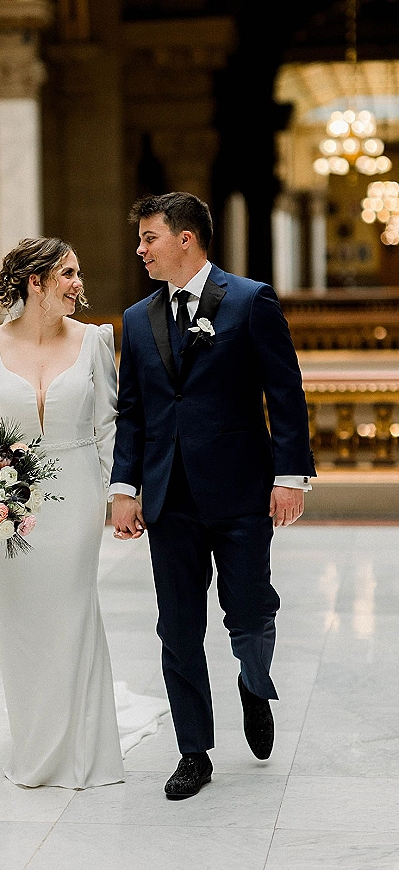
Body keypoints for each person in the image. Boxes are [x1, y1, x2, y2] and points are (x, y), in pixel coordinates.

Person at [109, 192, 316, 800]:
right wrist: (125, 489)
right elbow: (132, 413)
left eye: (149, 237)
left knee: (250, 613)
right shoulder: (137, 319)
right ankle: (193, 751)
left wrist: (289, 476)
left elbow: (286, 393)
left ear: (186, 239)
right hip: (169, 498)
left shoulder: (251, 302)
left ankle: (254, 683)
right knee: (177, 629)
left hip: (241, 491)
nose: (140, 250)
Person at [0, 237, 166, 789]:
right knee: (20, 619)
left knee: (72, 610)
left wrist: (123, 495)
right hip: (10, 495)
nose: (80, 284)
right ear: (37, 282)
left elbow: (109, 426)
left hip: (76, 490)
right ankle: (34, 737)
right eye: (69, 274)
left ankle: (80, 745)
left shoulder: (96, 341)